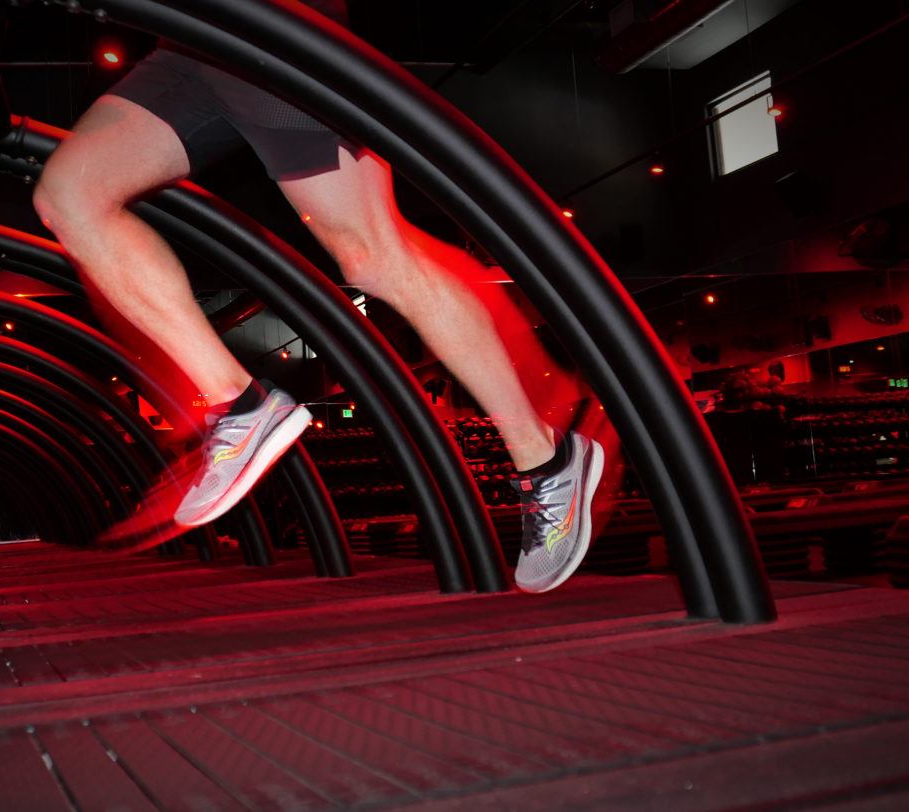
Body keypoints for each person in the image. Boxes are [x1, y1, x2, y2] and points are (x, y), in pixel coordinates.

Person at [33, 0, 604, 593]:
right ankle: (240, 404)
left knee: (373, 257)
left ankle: (546, 459)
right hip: (190, 45)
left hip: (265, 26)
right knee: (71, 195)